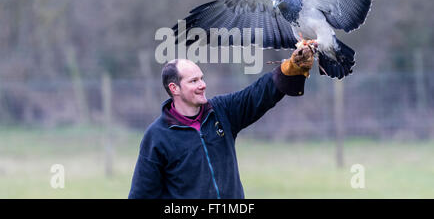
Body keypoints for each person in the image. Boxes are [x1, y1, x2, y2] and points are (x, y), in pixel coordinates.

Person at [128, 45, 314, 199]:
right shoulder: (157, 136)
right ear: (174, 88)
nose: (202, 85)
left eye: (202, 78)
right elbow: (142, 194)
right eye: (193, 81)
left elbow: (257, 95)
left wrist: (289, 69)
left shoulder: (220, 111)